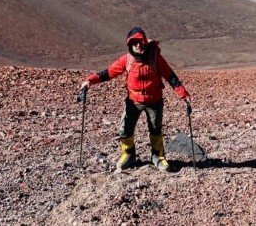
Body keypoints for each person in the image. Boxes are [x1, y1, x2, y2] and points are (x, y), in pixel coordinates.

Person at [81, 27, 191, 172]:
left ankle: (158, 156)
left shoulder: (155, 58)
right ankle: (128, 154)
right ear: (130, 45)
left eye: (140, 42)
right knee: (125, 129)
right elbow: (108, 73)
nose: (138, 46)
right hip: (134, 101)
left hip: (154, 101)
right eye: (134, 43)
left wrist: (184, 95)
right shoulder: (127, 60)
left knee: (155, 129)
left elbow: (170, 77)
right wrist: (90, 80)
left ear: (145, 42)